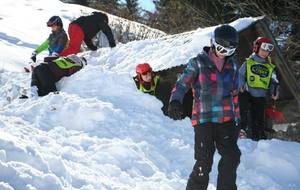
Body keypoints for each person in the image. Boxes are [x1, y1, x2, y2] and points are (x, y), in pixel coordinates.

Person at [168, 25, 241, 190]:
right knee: (204, 161)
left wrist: (238, 120)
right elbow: (181, 84)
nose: (224, 53)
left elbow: (235, 94)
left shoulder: (234, 66)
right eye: (221, 48)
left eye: (228, 51)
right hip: (204, 119)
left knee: (232, 156)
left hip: (227, 119)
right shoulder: (198, 62)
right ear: (213, 43)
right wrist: (175, 100)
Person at [238, 37, 279, 140]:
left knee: (259, 116)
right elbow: (240, 75)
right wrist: (241, 84)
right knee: (244, 109)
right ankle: (242, 129)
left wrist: (275, 91)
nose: (265, 53)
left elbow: (274, 81)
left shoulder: (269, 67)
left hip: (260, 96)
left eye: (268, 51)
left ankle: (259, 135)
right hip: (247, 92)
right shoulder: (249, 62)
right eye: (263, 49)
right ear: (256, 48)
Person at [21, 54, 86, 98]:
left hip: (38, 68)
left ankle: (26, 96)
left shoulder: (64, 58)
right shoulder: (78, 66)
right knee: (52, 95)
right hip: (47, 73)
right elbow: (71, 74)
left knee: (35, 90)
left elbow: (46, 59)